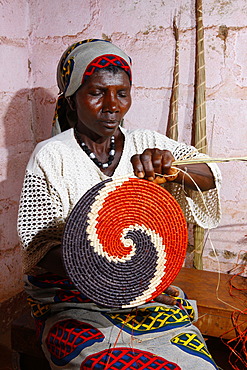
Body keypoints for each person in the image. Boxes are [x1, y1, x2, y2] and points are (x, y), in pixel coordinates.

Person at [18, 39, 221, 369]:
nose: (112, 105)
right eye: (97, 92)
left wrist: (173, 166)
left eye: (121, 93)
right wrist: (118, 283)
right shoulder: (50, 158)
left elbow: (209, 175)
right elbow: (41, 248)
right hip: (73, 300)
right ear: (71, 101)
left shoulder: (145, 142)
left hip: (145, 295)